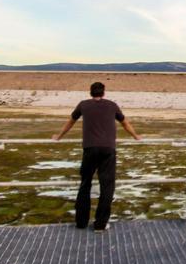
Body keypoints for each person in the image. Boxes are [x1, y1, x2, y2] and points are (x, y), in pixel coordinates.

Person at [53, 81, 141, 231]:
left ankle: (81, 222)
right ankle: (100, 224)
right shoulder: (112, 105)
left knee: (85, 184)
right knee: (107, 186)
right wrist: (136, 136)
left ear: (91, 92)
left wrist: (59, 136)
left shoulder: (83, 105)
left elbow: (70, 122)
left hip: (89, 149)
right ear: (103, 92)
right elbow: (125, 123)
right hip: (107, 150)